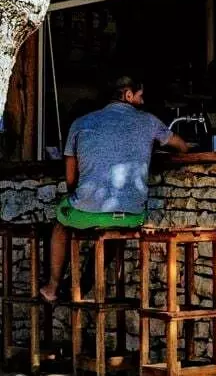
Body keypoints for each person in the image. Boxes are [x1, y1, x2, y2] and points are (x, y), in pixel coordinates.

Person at [39, 75, 189, 302]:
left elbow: (70, 178)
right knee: (114, 230)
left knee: (62, 220)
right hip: (132, 216)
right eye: (140, 95)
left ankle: (52, 288)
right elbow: (183, 146)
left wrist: (79, 195)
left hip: (88, 211)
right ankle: (85, 283)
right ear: (128, 95)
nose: (143, 100)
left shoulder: (81, 123)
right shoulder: (149, 121)